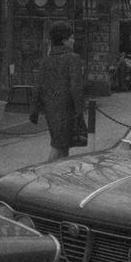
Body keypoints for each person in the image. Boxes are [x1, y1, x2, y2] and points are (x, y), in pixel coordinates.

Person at [30, 21, 85, 162]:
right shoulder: (73, 59)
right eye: (71, 38)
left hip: (50, 108)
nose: (73, 41)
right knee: (59, 145)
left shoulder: (46, 60)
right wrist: (80, 111)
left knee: (62, 143)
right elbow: (75, 87)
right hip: (67, 109)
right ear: (64, 40)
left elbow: (38, 86)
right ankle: (47, 172)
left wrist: (34, 110)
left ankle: (60, 172)